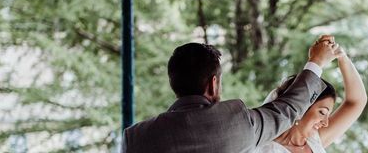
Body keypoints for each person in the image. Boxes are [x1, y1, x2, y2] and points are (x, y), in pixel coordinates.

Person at [121, 35, 339, 153]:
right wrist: (316, 61)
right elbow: (288, 108)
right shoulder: (236, 122)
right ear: (213, 84)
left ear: (173, 82)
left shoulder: (135, 138)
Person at [257, 43, 367, 152]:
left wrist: (342, 57)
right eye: (322, 113)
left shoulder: (314, 141)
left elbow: (356, 102)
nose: (326, 123)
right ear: (302, 106)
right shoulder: (263, 148)